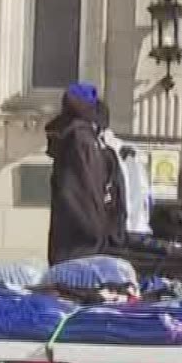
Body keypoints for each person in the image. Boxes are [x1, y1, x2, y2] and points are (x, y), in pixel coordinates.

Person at [45, 83, 115, 265]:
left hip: (68, 231)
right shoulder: (82, 139)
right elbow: (87, 186)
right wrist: (98, 227)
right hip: (84, 233)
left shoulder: (69, 135)